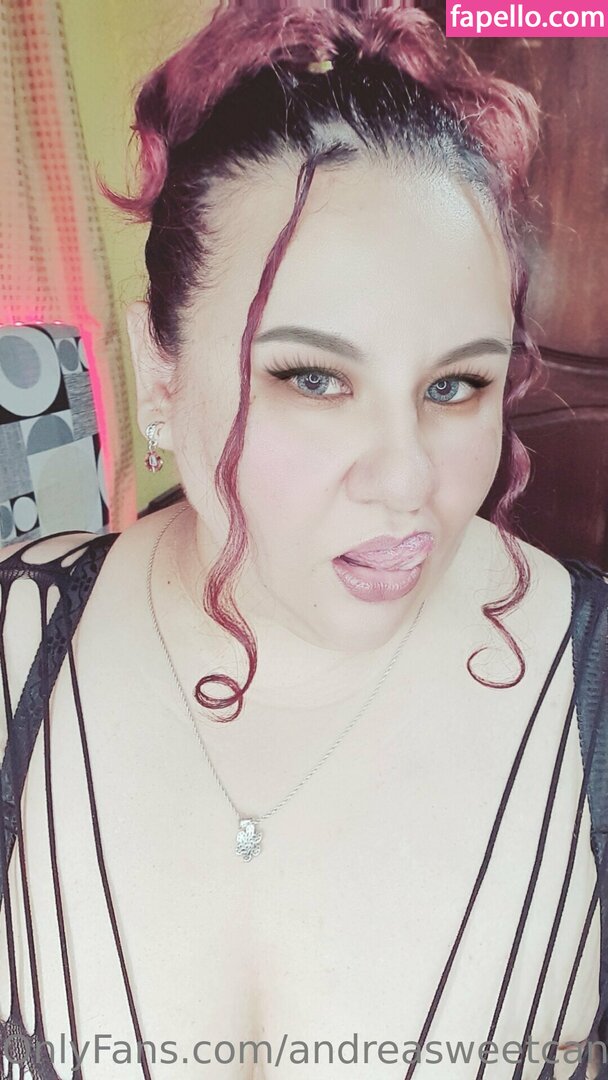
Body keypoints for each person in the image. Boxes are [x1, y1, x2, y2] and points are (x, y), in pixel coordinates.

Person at [0, 3, 606, 1078]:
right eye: (313, 377)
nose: (406, 481)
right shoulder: (13, 650)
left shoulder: (590, 693)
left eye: (456, 385)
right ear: (160, 371)